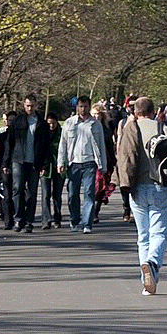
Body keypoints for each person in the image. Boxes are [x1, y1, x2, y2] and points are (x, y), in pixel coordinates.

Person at [117, 97, 167, 295]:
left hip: (138, 187)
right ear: (152, 112)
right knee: (159, 233)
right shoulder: (161, 128)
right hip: (159, 185)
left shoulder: (130, 129)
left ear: (136, 112)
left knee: (143, 236)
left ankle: (147, 282)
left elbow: (123, 157)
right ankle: (153, 264)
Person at [58, 96, 107, 233]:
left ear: (89, 107)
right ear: (76, 107)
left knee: (89, 193)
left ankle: (87, 223)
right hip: (74, 163)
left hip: (90, 163)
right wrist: (60, 162)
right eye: (80, 106)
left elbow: (101, 145)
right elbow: (63, 144)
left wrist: (103, 165)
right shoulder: (69, 123)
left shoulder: (95, 124)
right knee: (73, 194)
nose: (83, 109)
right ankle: (74, 220)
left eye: (85, 106)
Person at [6, 94, 50, 232]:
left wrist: (44, 163)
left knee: (31, 193)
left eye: (32, 105)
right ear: (24, 105)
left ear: (36, 105)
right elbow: (10, 142)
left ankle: (29, 221)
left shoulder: (41, 123)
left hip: (34, 162)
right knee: (17, 189)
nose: (30, 108)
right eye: (27, 105)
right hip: (18, 160)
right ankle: (18, 219)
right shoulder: (18, 121)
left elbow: (45, 145)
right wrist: (5, 163)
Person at [40, 113, 64, 229]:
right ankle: (46, 219)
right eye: (49, 123)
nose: (51, 125)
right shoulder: (42, 133)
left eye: (53, 123)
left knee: (57, 194)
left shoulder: (62, 133)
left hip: (58, 167)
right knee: (45, 194)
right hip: (45, 167)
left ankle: (57, 218)